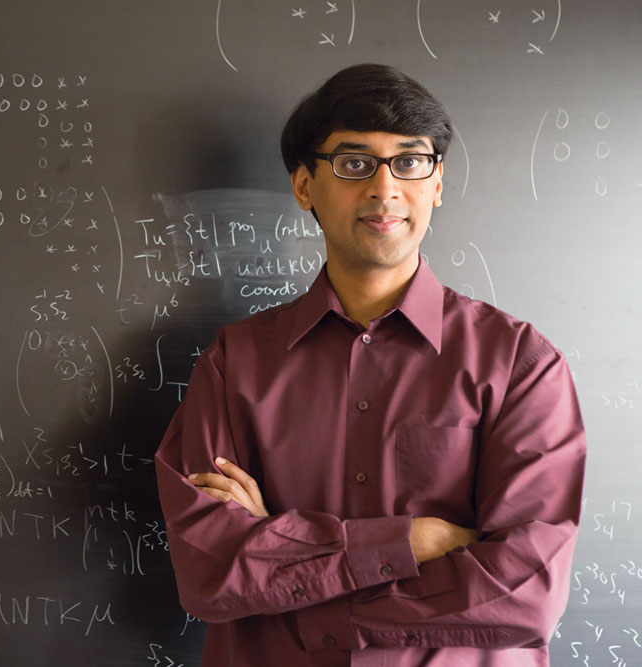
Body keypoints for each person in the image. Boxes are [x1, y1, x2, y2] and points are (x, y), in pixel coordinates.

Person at [154, 63, 586, 666]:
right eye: (354, 164)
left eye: (410, 161)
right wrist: (414, 540)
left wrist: (286, 559)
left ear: (436, 183)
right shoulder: (235, 363)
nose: (386, 189)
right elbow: (211, 571)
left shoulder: (519, 365)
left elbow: (524, 598)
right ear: (304, 186)